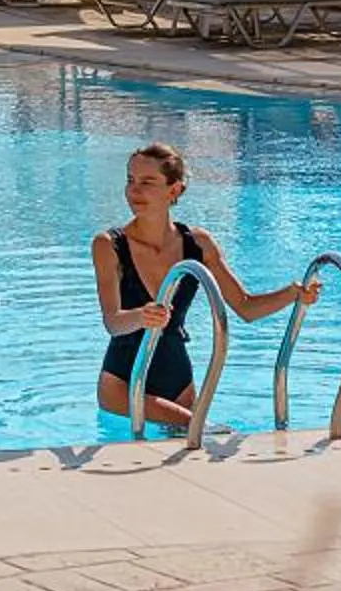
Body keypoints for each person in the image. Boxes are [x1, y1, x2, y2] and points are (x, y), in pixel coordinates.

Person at [95, 142, 320, 432]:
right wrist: (141, 316)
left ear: (173, 190)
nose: (134, 191)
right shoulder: (109, 245)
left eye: (147, 182)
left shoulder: (198, 245)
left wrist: (293, 294)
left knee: (191, 453)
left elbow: (245, 306)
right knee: (203, 431)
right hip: (123, 384)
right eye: (130, 180)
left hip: (178, 381)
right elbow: (112, 322)